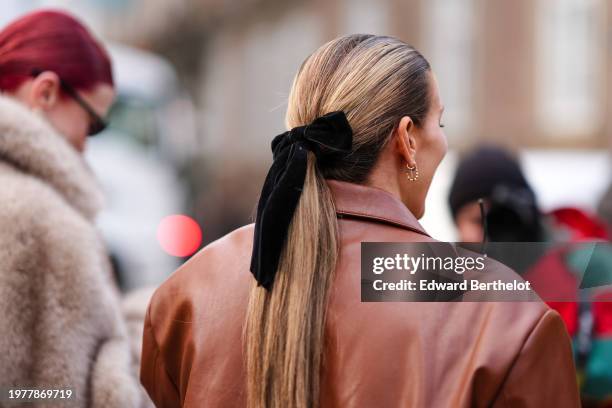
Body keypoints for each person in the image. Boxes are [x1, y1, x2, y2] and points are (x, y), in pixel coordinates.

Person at [141, 34, 579, 407]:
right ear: (407, 138)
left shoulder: (188, 293)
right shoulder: (498, 310)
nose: (443, 140)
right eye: (439, 121)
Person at [0, 10, 141, 407]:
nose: (85, 145)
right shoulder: (41, 221)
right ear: (44, 93)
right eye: (93, 123)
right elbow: (56, 394)